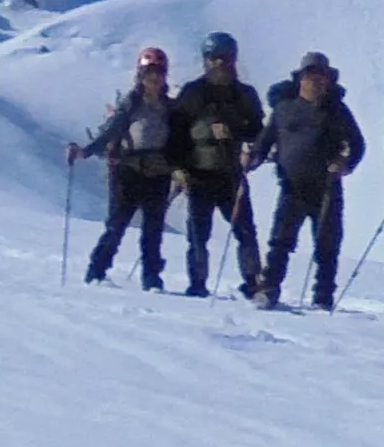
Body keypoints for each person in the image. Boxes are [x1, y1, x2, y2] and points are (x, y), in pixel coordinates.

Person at [258, 52, 362, 307]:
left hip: (326, 187)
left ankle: (323, 296)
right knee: (281, 240)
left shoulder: (337, 110)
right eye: (310, 75)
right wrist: (252, 159)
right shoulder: (284, 108)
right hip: (292, 186)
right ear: (300, 78)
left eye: (321, 76)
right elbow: (266, 140)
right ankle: (269, 289)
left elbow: (358, 144)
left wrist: (344, 164)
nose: (316, 81)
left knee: (327, 244)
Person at [172, 35, 270, 301]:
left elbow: (259, 133)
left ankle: (252, 281)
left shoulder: (245, 95)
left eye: (225, 58)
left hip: (231, 174)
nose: (220, 63)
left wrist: (240, 138)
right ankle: (198, 283)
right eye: (214, 58)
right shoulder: (193, 92)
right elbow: (176, 132)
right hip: (198, 173)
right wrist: (179, 168)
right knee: (197, 233)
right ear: (205, 61)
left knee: (245, 230)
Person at [74, 45, 177, 289]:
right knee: (116, 225)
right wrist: (88, 150)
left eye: (158, 73)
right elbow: (112, 131)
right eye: (149, 73)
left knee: (153, 231)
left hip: (158, 172)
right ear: (140, 75)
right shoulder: (131, 104)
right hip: (128, 171)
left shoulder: (171, 108)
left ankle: (151, 278)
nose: (154, 78)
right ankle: (97, 271)